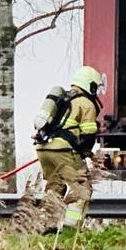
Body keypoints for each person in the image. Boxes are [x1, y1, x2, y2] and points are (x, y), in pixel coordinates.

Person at [34, 66, 104, 230]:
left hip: (44, 148)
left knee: (55, 186)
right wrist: (87, 153)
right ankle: (71, 227)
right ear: (90, 85)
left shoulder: (64, 98)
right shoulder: (86, 104)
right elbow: (88, 136)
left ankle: (46, 225)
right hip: (63, 150)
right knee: (82, 189)